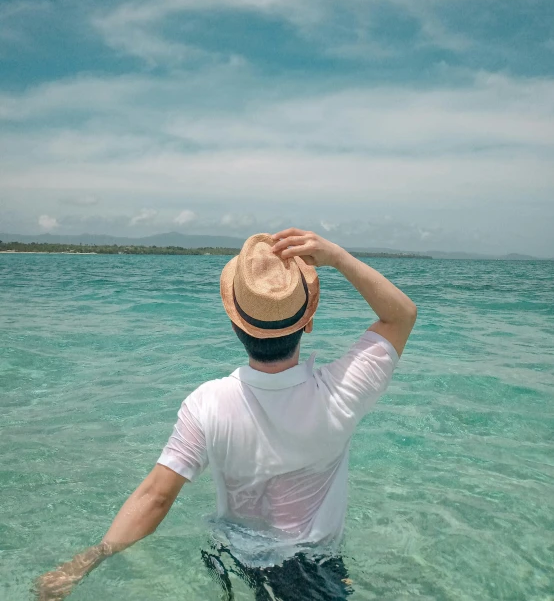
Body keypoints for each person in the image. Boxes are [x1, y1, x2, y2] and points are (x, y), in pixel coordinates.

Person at [36, 228, 417, 600]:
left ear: (236, 323)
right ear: (309, 320)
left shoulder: (207, 403)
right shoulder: (341, 392)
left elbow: (155, 498)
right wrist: (337, 256)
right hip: (313, 570)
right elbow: (400, 315)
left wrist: (85, 562)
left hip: (231, 561)